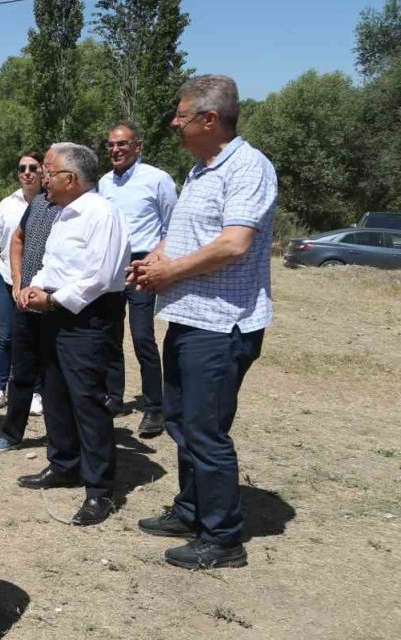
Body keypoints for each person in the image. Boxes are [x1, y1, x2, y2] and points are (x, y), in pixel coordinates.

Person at [131, 75, 277, 570]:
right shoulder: (201, 170)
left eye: (181, 114)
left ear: (209, 119)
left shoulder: (248, 168)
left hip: (222, 324)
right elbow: (184, 234)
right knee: (180, 421)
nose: (174, 121)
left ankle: (222, 539)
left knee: (206, 430)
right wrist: (155, 260)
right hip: (188, 318)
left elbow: (234, 243)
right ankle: (191, 511)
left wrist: (169, 270)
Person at [16, 143, 130, 526]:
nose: (44, 178)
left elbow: (99, 276)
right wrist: (36, 287)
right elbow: (55, 262)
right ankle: (63, 464)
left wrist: (52, 300)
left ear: (72, 178)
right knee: (55, 392)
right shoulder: (62, 214)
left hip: (88, 318)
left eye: (50, 172)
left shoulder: (102, 213)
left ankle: (99, 490)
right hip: (54, 312)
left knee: (88, 401)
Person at [99, 121, 179, 435]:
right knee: (110, 334)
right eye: (111, 145)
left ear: (138, 146)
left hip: (143, 264)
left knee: (142, 336)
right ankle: (113, 397)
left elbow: (173, 226)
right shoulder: (104, 183)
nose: (116, 150)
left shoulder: (157, 180)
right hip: (112, 264)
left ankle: (154, 407)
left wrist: (157, 261)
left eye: (122, 144)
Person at [0, 152, 54, 454]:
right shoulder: (32, 205)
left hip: (55, 299)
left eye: (41, 169)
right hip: (22, 292)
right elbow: (15, 240)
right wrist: (19, 279)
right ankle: (11, 433)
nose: (32, 174)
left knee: (53, 368)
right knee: (18, 359)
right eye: (23, 168)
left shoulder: (82, 208)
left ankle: (61, 442)